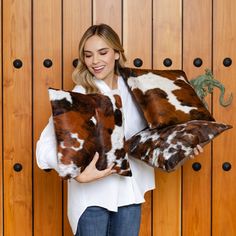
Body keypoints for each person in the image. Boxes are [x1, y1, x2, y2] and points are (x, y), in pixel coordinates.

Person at [36, 23, 203, 236]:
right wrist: (76, 174)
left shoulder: (140, 88)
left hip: (129, 195)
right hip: (91, 200)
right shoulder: (80, 95)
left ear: (116, 53)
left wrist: (187, 143)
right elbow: (43, 147)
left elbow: (158, 134)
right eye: (88, 55)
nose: (95, 61)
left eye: (102, 52)